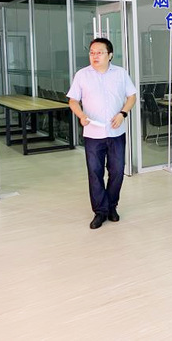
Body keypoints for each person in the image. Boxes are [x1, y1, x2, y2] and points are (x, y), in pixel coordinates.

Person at [67, 38, 137, 229]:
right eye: (92, 52)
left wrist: (123, 113)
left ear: (110, 55)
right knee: (95, 173)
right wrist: (81, 115)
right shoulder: (82, 75)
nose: (95, 56)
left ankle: (112, 206)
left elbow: (132, 96)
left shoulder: (120, 73)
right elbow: (73, 100)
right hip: (93, 133)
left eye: (99, 52)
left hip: (116, 132)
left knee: (117, 171)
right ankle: (100, 211)